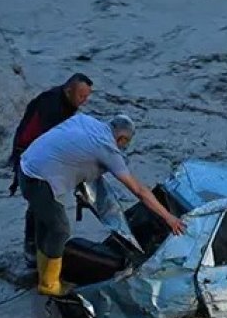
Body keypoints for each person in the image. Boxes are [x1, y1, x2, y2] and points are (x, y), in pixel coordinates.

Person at [18, 113, 187, 296]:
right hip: (38, 181)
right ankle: (49, 285)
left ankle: (32, 257)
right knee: (59, 229)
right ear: (121, 138)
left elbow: (70, 150)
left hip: (26, 163)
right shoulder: (107, 148)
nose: (123, 148)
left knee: (42, 215)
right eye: (125, 143)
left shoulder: (85, 121)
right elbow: (139, 190)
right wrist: (169, 218)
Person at [8, 73, 94, 260]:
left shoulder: (65, 103)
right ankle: (35, 249)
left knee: (39, 202)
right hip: (29, 154)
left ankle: (35, 247)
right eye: (81, 96)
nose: (84, 101)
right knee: (42, 202)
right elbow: (53, 141)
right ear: (69, 90)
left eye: (87, 97)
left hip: (34, 154)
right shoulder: (52, 105)